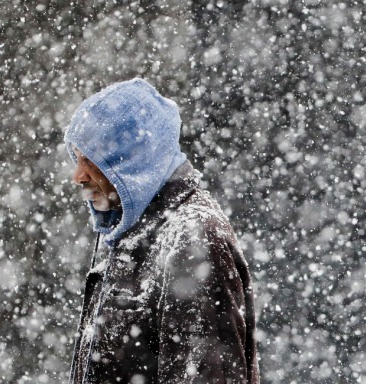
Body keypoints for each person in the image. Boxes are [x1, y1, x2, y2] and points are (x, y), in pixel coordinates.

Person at [64, 78, 259, 384]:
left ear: (130, 161)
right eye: (77, 158)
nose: (78, 175)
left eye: (91, 160)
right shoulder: (131, 233)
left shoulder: (194, 238)